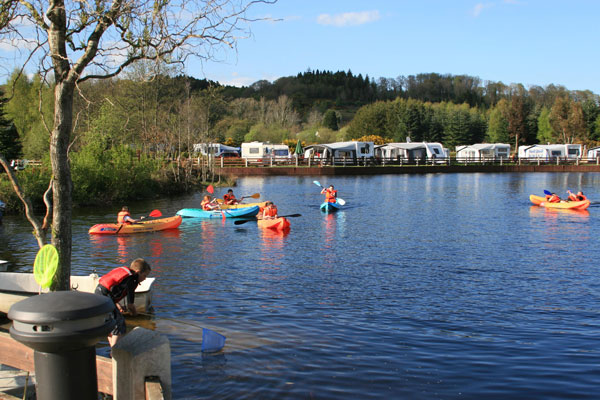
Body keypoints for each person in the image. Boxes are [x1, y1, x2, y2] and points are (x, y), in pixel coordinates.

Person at [95, 258, 151, 346]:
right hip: (105, 298)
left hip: (100, 294)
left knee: (111, 324)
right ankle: (114, 351)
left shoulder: (126, 277)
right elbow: (130, 305)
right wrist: (135, 314)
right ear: (138, 272)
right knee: (120, 323)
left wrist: (118, 305)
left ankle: (112, 349)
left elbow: (110, 291)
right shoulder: (132, 280)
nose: (145, 279)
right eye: (144, 275)